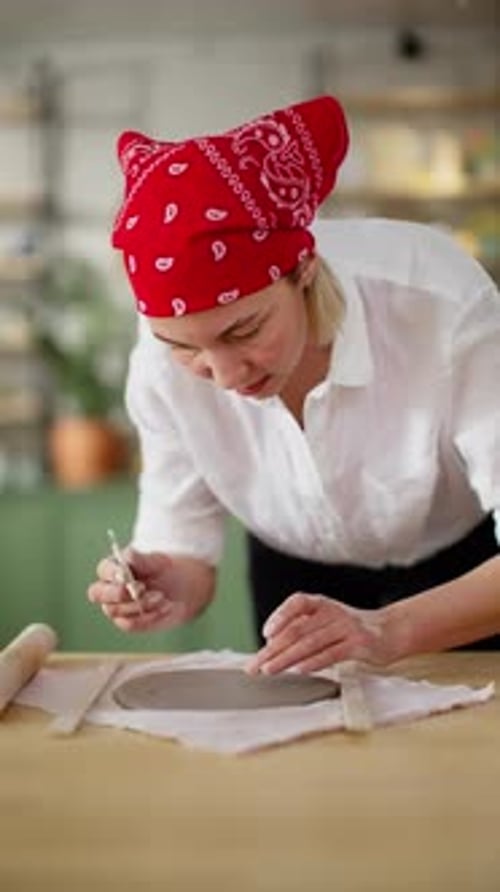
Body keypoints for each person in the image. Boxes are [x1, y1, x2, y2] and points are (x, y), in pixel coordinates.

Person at [87, 94, 500, 675]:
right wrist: (164, 585)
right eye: (185, 347)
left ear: (304, 270)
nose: (226, 377)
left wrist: (389, 629)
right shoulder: (157, 357)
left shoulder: (440, 303)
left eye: (244, 330)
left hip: (467, 574)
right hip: (296, 582)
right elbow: (185, 551)